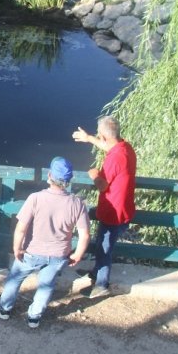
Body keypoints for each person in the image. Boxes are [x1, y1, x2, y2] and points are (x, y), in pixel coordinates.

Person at [0, 157, 90, 328]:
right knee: (46, 284)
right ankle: (34, 317)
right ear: (69, 181)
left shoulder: (35, 198)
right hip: (58, 254)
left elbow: (21, 228)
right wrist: (78, 254)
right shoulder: (77, 204)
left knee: (15, 279)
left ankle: (4, 308)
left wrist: (17, 248)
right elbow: (84, 235)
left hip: (32, 252)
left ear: (49, 176)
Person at [72, 115, 137, 298]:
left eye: (98, 135)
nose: (99, 138)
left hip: (113, 212)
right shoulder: (125, 148)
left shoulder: (114, 158)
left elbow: (102, 186)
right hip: (124, 207)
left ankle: (101, 285)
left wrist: (93, 174)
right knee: (103, 244)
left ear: (105, 136)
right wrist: (89, 139)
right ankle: (96, 273)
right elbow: (108, 145)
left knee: (104, 248)